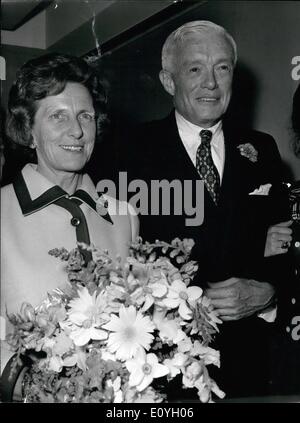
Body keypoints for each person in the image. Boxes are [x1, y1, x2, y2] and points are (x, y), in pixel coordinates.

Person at [116, 21, 291, 398]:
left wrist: (270, 292)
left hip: (251, 365)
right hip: (165, 369)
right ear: (167, 80)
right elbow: (118, 263)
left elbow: (284, 246)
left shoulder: (263, 149)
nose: (210, 83)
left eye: (222, 68)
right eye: (195, 69)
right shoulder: (129, 151)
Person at [0, 53, 139, 400]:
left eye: (85, 116)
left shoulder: (124, 216)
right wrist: (25, 383)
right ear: (27, 128)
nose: (76, 130)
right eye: (57, 116)